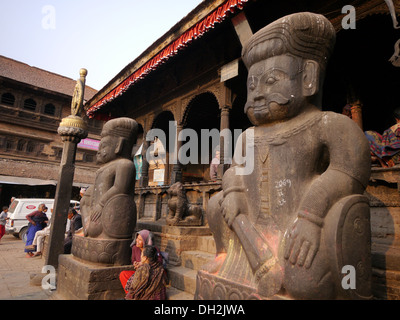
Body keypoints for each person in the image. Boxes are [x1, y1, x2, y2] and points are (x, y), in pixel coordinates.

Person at [201, 12, 371, 300]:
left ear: (308, 77)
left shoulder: (327, 124)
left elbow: (349, 168)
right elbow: (234, 169)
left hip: (300, 225)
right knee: (217, 203)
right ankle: (224, 253)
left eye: (271, 80)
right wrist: (232, 190)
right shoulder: (247, 137)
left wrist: (311, 216)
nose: (256, 94)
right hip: (250, 225)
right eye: (252, 86)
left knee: (305, 283)